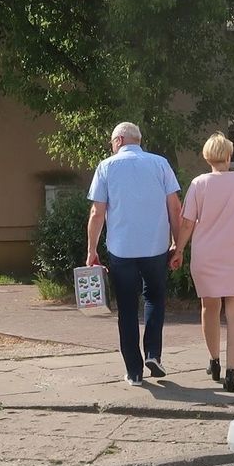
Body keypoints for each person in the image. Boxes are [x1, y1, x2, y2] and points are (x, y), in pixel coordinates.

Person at [86, 122, 182, 385]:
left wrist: (91, 250)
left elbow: (97, 212)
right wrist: (178, 244)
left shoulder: (106, 166)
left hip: (122, 249)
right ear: (137, 140)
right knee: (154, 298)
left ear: (118, 140)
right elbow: (174, 207)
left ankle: (134, 371)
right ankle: (153, 353)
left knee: (127, 308)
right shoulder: (160, 164)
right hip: (156, 248)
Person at [169, 131, 234, 393]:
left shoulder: (199, 184)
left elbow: (187, 224)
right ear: (229, 155)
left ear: (207, 156)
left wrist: (179, 249)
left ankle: (214, 361)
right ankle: (232, 373)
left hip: (206, 256)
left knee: (209, 309)